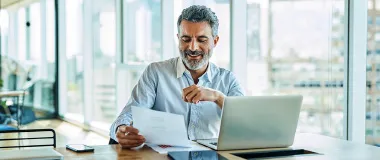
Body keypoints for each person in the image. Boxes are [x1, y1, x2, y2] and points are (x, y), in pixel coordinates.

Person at [109, 5, 244, 148]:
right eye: (186, 39)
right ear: (178, 39)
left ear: (215, 41)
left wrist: (217, 97)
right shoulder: (156, 73)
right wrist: (121, 129)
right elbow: (129, 114)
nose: (192, 47)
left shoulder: (228, 80)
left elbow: (247, 122)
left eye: (202, 40)